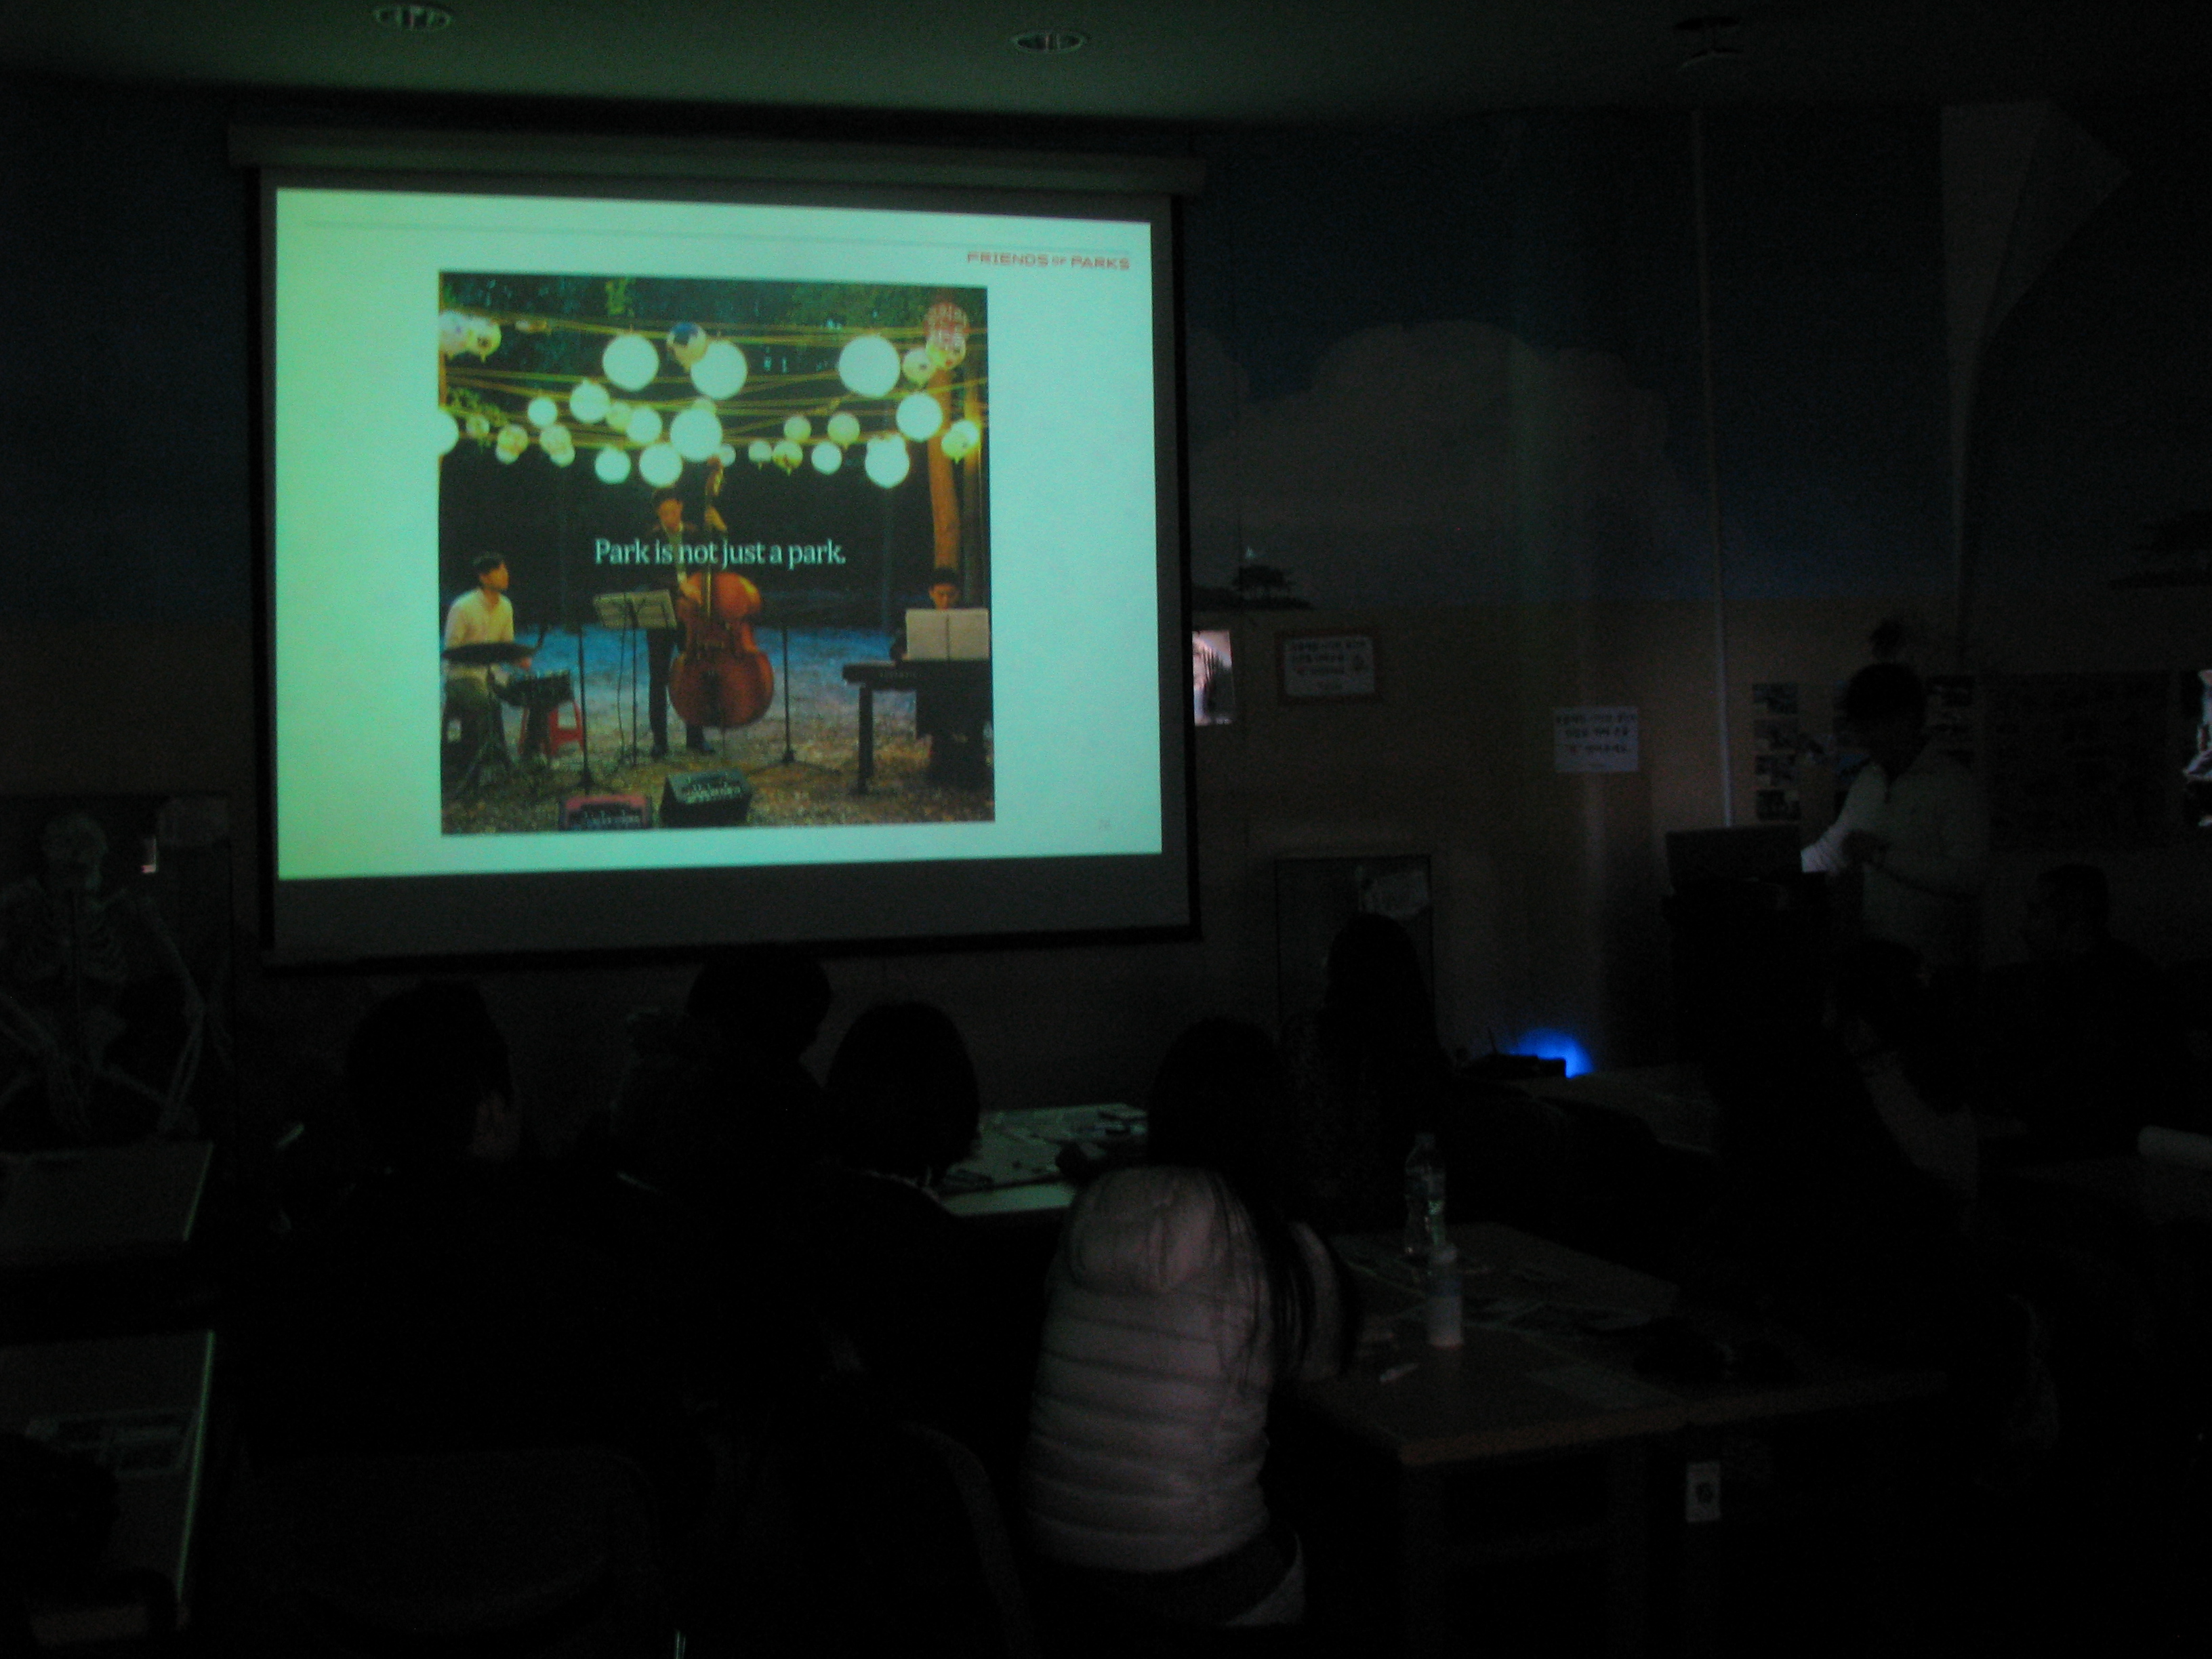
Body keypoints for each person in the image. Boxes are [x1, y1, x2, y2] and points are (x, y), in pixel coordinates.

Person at [244, 982, 707, 1528]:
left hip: (359, 1573)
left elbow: (279, 1470)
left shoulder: (298, 1288)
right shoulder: (586, 1286)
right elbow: (678, 1486)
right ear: (488, 1113)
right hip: (567, 1571)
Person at [1023, 1019, 1345, 1633]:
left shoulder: (1092, 1209)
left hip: (1055, 1580)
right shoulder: (1277, 1244)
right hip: (1197, 1581)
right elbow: (1320, 1375)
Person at [1982, 862, 2192, 1160]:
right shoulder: (2044, 979)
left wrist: (2016, 1109)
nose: (2023, 928)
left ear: (2074, 923)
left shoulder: (2125, 990)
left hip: (2099, 1149)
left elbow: (2092, 1083)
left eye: (2035, 913)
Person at [1802, 662, 1988, 972]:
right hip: (1880, 960)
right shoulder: (1870, 780)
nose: (1863, 739)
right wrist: (1771, 872)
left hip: (1936, 969)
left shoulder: (1955, 785)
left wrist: (1881, 855)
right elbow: (1833, 850)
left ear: (1906, 720)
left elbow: (1968, 877)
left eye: (1871, 727)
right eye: (1861, 727)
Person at [1279, 912, 1451, 1231]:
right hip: (1397, 1221)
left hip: (1318, 1219)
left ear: (1337, 969)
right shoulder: (1414, 1049)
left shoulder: (1305, 1038)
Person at [890, 574, 991, 786]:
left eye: (951, 595)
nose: (946, 600)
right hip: (935, 680)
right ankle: (941, 754)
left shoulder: (972, 618)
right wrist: (904, 655)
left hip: (967, 680)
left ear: (958, 595)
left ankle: (972, 756)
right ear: (931, 594)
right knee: (936, 698)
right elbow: (897, 648)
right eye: (941, 595)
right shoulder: (921, 618)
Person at [442, 554, 529, 769]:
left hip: (494, 675)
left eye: (505, 570)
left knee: (540, 692)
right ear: (484, 577)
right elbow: (451, 652)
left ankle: (531, 754)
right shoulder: (463, 607)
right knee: (487, 702)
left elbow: (506, 646)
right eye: (500, 571)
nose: (506, 575)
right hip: (462, 678)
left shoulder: (505, 606)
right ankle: (486, 763)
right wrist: (477, 656)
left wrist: (520, 659)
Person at [643, 489, 710, 758]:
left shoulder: (695, 534)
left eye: (672, 511)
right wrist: (681, 587)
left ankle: (696, 737)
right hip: (661, 613)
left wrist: (719, 531)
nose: (669, 518)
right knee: (658, 677)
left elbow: (710, 563)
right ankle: (660, 741)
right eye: (663, 514)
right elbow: (652, 574)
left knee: (693, 673)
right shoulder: (651, 538)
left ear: (681, 507)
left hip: (690, 614)